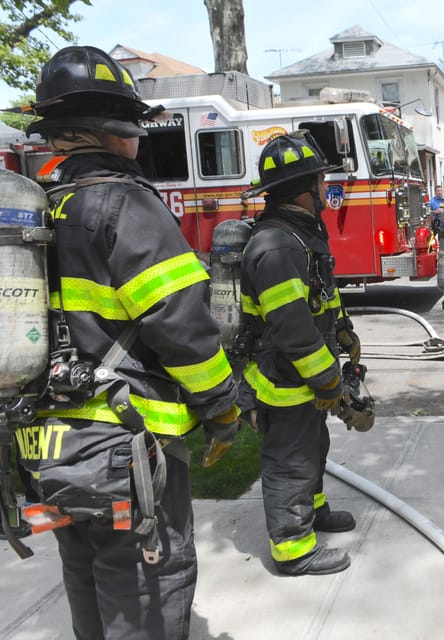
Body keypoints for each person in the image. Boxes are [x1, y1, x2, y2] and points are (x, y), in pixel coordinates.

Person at [20, 45, 239, 638]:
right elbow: (180, 322)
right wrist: (221, 405)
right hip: (127, 447)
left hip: (50, 445)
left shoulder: (38, 210)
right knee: (147, 588)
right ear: (119, 131)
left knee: (87, 575)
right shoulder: (125, 203)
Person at [239, 131, 359, 575]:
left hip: (302, 375)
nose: (325, 187)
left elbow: (319, 296)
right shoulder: (277, 246)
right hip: (284, 378)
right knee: (290, 460)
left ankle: (313, 513)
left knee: (313, 447)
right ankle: (292, 547)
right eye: (320, 179)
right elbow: (291, 326)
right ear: (306, 188)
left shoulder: (300, 234)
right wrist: (327, 378)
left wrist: (343, 330)